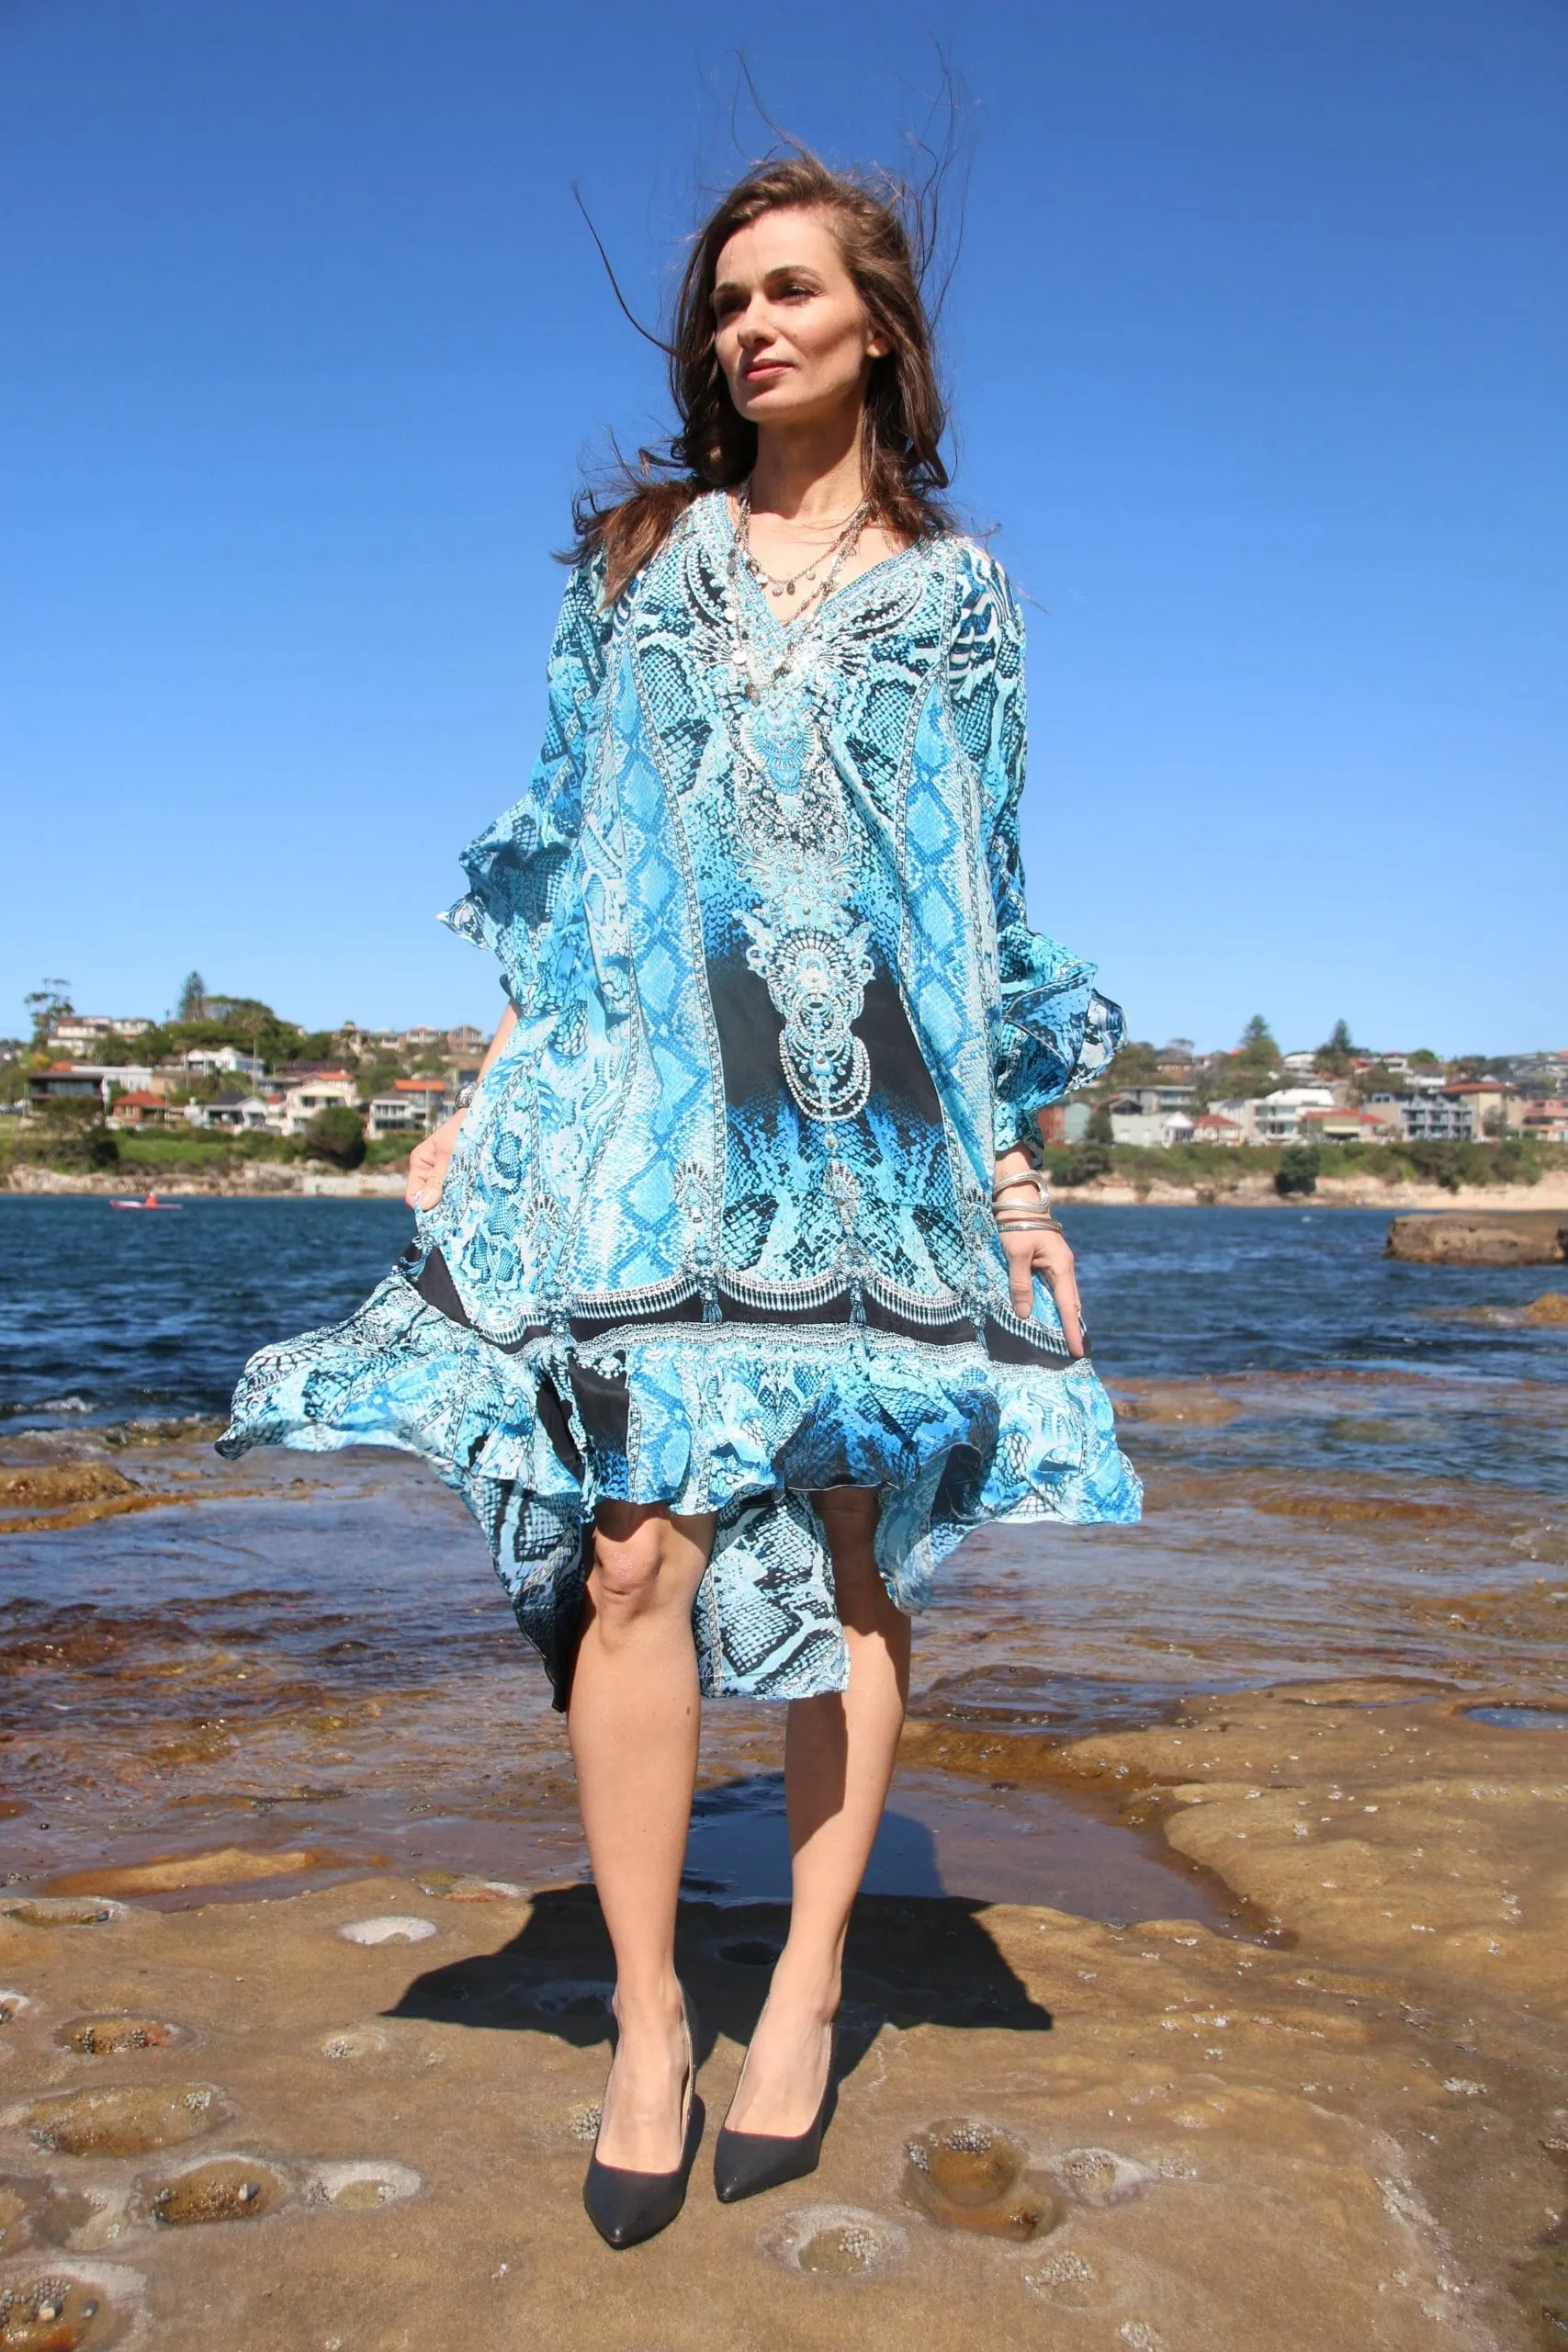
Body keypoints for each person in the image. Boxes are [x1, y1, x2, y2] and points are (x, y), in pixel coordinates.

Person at [220, 150, 1140, 2250]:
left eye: (791, 290)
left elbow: (977, 901)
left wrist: (1011, 1169)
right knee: (635, 1548)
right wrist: (488, 1092)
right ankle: (649, 2018)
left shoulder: (961, 601)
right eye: (727, 300)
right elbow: (570, 854)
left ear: (878, 327)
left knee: (851, 1545)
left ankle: (803, 1984)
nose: (750, 327)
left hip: (869, 1114)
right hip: (655, 1104)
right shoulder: (643, 561)